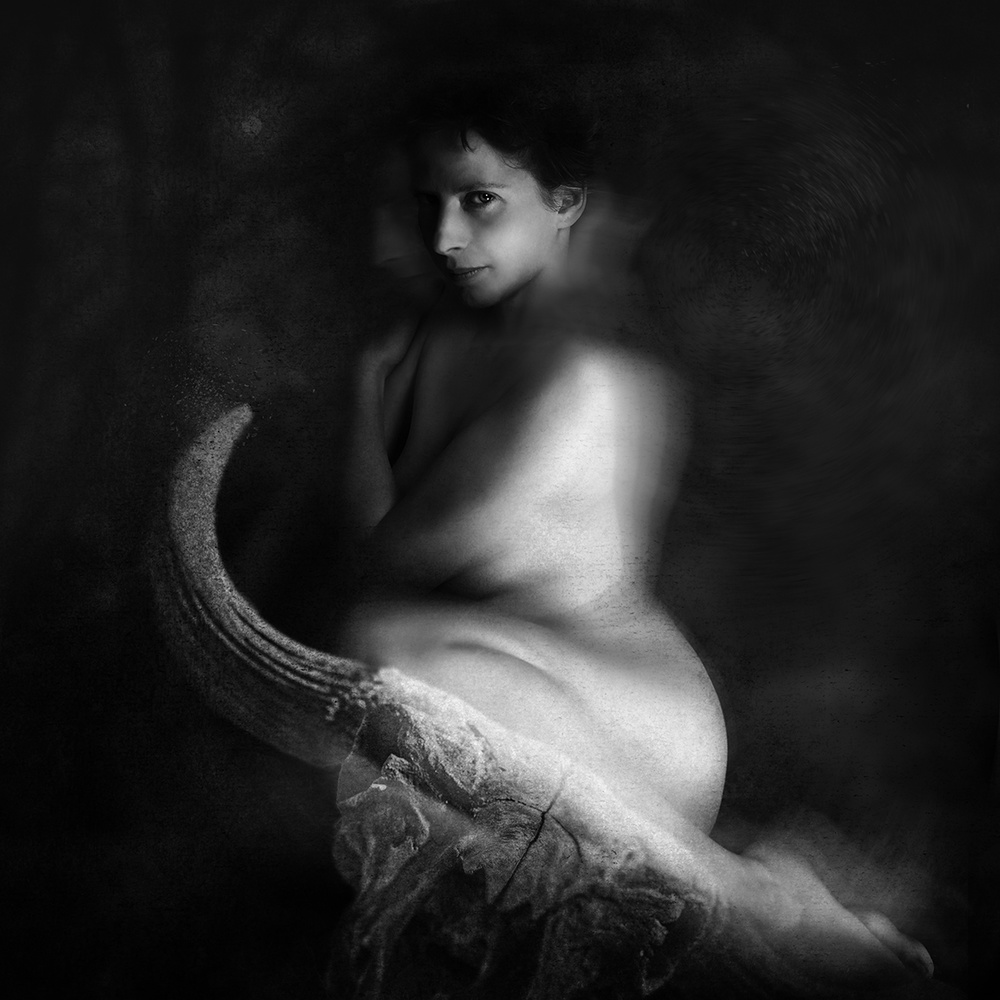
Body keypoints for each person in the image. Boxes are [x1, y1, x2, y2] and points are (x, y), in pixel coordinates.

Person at [335, 74, 934, 987]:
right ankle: (764, 907)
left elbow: (426, 546)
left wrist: (387, 425)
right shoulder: (434, 364)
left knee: (390, 650)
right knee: (383, 654)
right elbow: (377, 545)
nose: (447, 237)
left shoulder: (588, 376)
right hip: (513, 671)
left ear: (565, 205)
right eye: (433, 208)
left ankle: (760, 902)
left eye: (481, 202)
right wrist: (376, 395)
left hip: (632, 711)